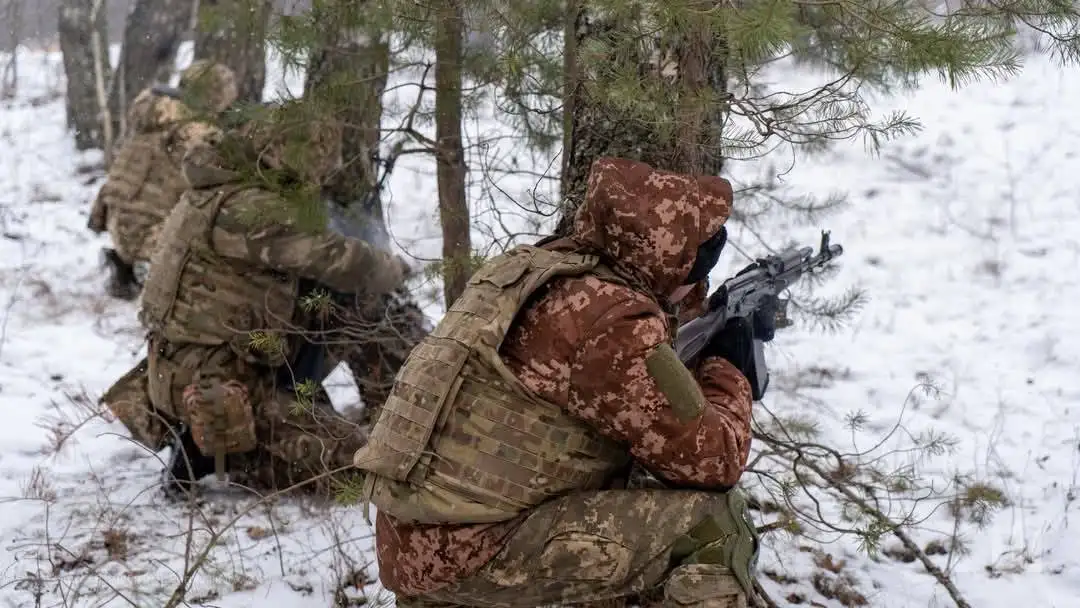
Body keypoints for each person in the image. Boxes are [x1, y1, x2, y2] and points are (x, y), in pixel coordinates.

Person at [353, 157, 763, 607]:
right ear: (671, 261)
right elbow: (715, 460)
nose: (696, 282)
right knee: (716, 527)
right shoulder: (613, 322)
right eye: (694, 270)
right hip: (472, 554)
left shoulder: (536, 270)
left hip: (415, 538)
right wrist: (728, 364)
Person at [99, 101, 410, 497]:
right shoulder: (248, 209)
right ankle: (216, 448)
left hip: (220, 367)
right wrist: (398, 268)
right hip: (222, 388)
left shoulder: (219, 188)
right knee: (364, 467)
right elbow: (340, 260)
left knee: (357, 302)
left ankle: (391, 414)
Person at [87, 60, 239, 300]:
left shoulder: (151, 116)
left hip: (119, 228)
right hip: (151, 238)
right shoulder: (197, 131)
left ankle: (132, 264)